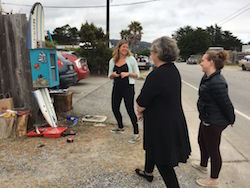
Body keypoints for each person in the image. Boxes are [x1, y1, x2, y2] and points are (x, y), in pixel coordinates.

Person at [135, 36, 191, 187]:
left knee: (164, 163)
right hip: (172, 120)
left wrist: (140, 111)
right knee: (152, 149)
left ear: (158, 53)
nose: (151, 54)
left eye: (152, 51)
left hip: (162, 126)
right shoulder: (173, 71)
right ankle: (148, 172)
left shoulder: (156, 75)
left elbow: (141, 102)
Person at [193, 50, 235, 187]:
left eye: (203, 60)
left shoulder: (217, 82)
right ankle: (203, 165)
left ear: (211, 62)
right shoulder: (207, 76)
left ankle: (213, 179)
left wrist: (231, 119)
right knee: (201, 141)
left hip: (214, 122)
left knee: (213, 150)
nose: (201, 63)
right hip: (206, 117)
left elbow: (226, 103)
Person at [108, 39, 140, 144]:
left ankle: (136, 133)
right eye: (123, 47)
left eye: (127, 47)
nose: (125, 49)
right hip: (117, 87)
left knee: (130, 110)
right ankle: (120, 127)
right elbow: (109, 76)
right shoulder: (112, 61)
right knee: (114, 107)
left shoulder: (131, 59)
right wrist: (113, 75)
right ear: (119, 48)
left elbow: (137, 75)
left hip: (128, 88)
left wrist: (128, 74)